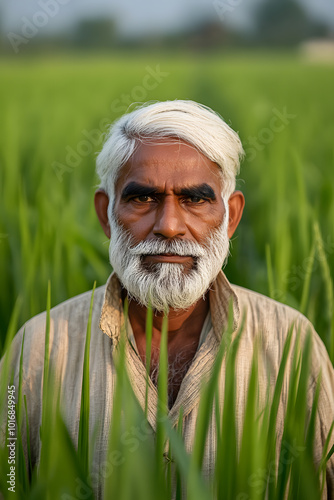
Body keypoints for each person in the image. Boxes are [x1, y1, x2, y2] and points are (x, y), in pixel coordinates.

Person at [1, 100, 333, 498]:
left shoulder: (291, 346)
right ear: (106, 215)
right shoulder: (39, 348)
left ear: (231, 217)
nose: (170, 227)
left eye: (195, 199)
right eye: (144, 199)